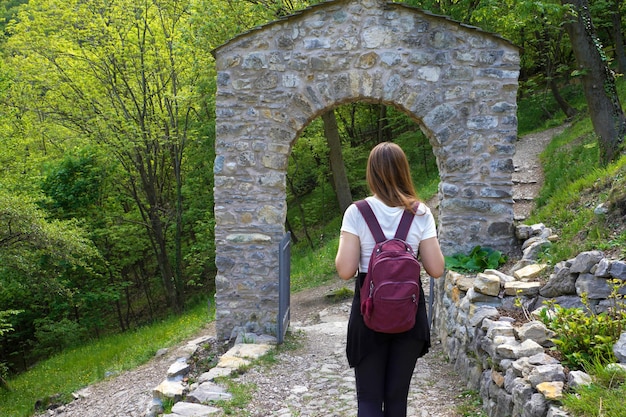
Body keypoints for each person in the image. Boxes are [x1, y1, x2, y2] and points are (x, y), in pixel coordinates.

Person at [335, 141, 445, 417]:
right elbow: (436, 268)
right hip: (409, 315)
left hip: (368, 311)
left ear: (371, 173)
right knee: (397, 402)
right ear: (404, 171)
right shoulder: (420, 213)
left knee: (369, 401)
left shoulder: (357, 212)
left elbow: (345, 270)